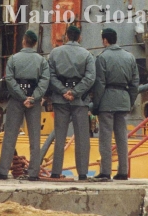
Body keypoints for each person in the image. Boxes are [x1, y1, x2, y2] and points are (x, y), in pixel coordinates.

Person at [0, 30, 49, 181]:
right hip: (34, 102)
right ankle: (33, 173)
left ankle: (2, 171)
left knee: (10, 135)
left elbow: (9, 80)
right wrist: (33, 97)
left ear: (24, 41)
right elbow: (44, 81)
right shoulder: (42, 60)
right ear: (35, 43)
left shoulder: (13, 59)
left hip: (16, 100)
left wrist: (22, 97)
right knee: (35, 137)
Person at [48, 25, 96, 180]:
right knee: (82, 138)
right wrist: (75, 92)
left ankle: (55, 172)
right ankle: (82, 173)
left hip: (60, 99)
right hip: (80, 100)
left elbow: (51, 75)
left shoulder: (55, 53)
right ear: (79, 37)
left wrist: (63, 91)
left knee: (60, 136)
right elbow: (90, 78)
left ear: (66, 36)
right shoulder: (87, 55)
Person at [91, 28, 139, 181]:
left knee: (105, 137)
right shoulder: (129, 57)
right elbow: (135, 83)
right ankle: (123, 171)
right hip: (123, 99)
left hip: (107, 100)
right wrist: (130, 101)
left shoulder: (102, 58)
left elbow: (100, 84)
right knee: (122, 137)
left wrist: (96, 105)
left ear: (105, 40)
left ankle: (105, 171)